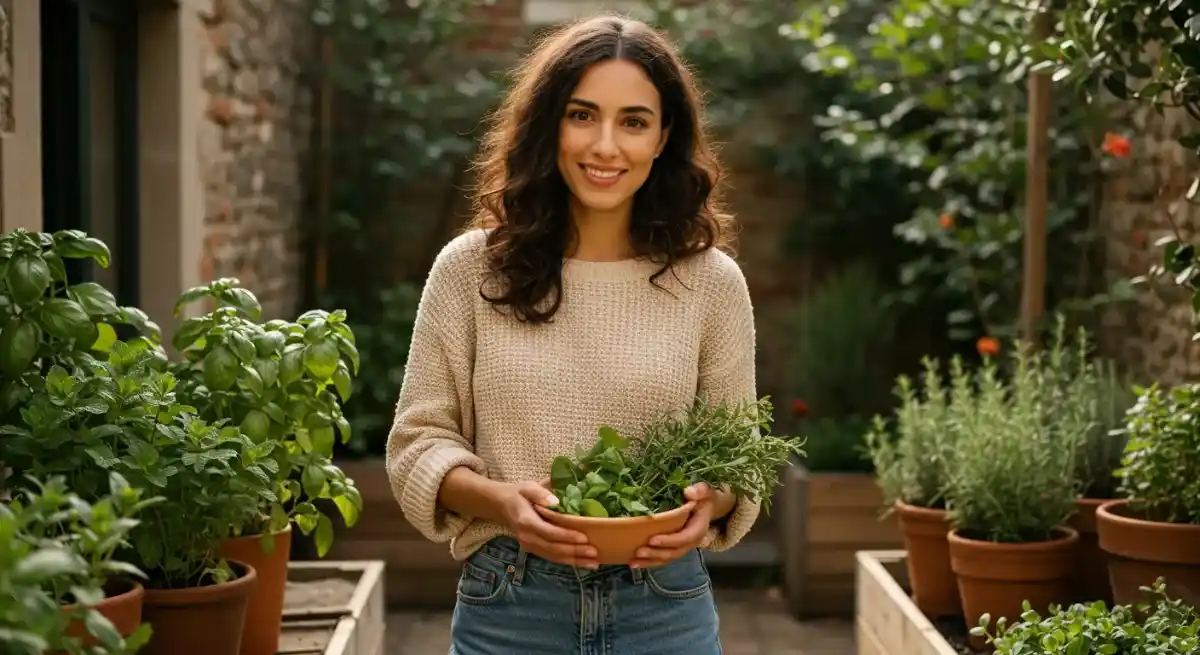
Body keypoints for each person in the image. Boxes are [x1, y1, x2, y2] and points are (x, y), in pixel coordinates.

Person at [386, 13, 759, 655]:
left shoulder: (712, 283)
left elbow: (737, 454)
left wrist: (711, 502)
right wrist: (503, 502)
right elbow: (418, 444)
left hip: (663, 606)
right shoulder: (470, 270)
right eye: (582, 115)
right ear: (548, 125)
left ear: (665, 136)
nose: (605, 146)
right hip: (510, 603)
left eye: (634, 121)